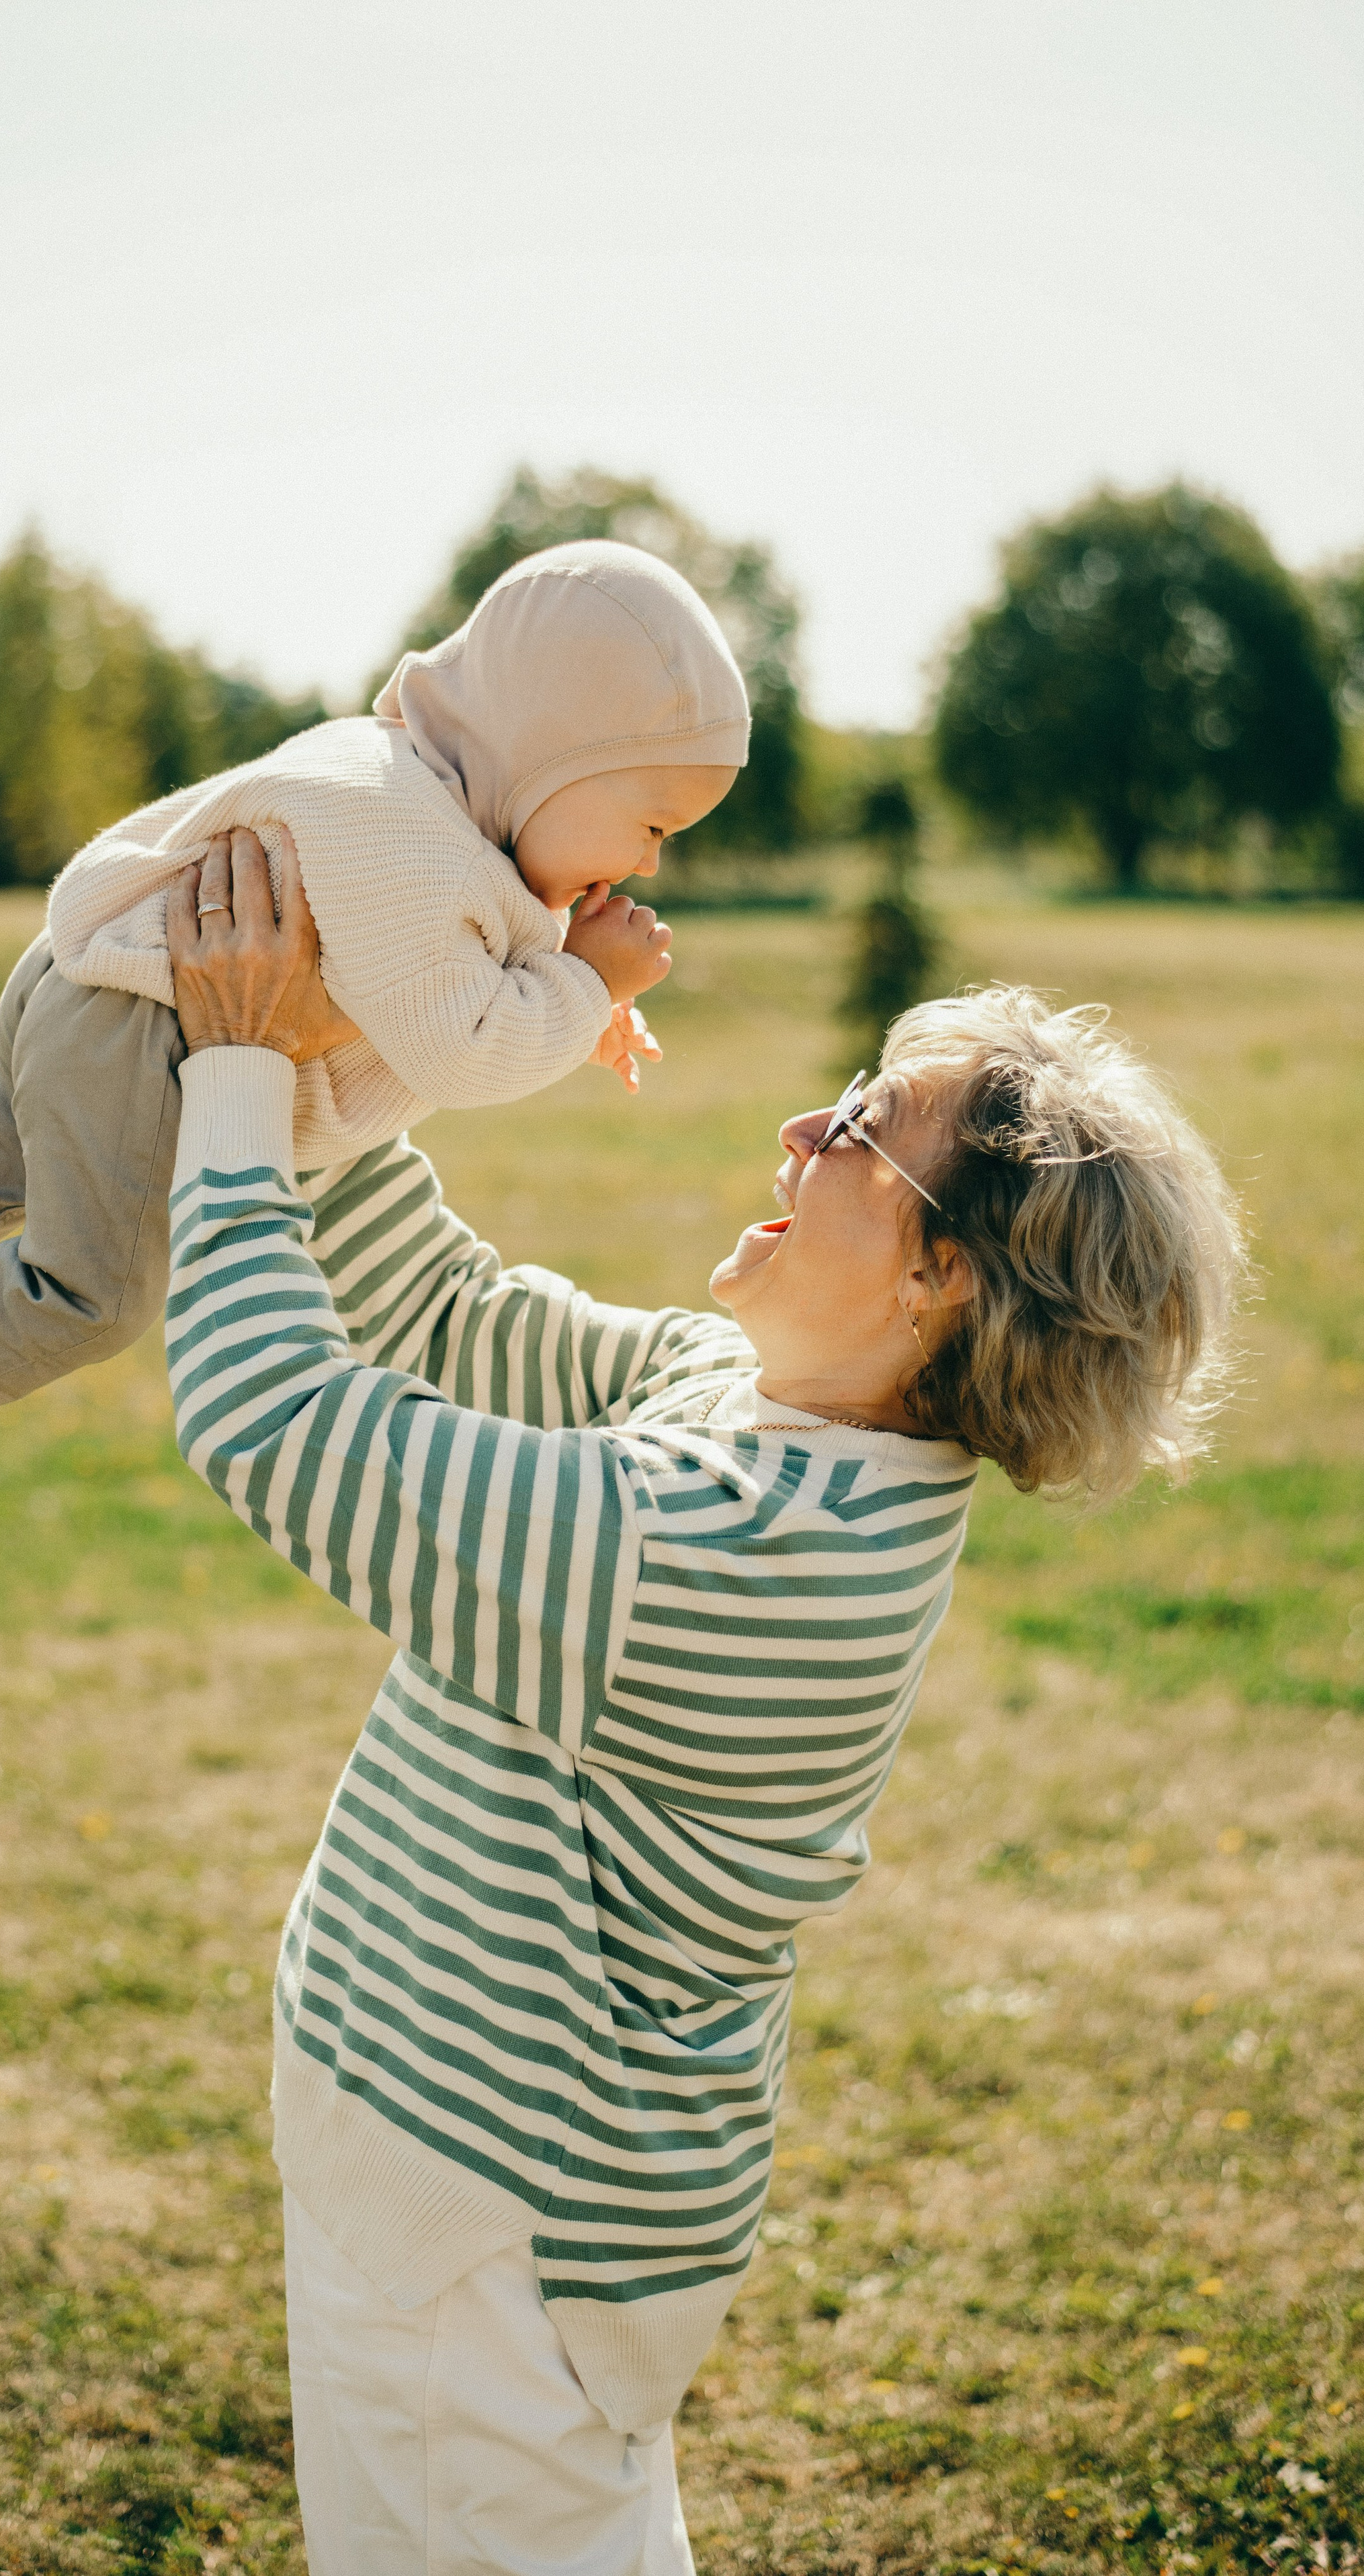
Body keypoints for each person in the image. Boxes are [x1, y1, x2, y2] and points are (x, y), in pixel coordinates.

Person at [161, 835, 1244, 2576]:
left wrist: (225, 1080)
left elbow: (274, 1418)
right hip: (477, 2190)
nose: (805, 1133)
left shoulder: (732, 1551)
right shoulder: (762, 1408)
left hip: (488, 2246)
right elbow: (439, 1306)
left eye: (864, 1130)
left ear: (941, 1277)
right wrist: (316, 1044)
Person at [0, 542, 743, 1440]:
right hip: (139, 1034)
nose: (649, 864)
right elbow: (458, 1045)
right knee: (98, 1291)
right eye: (651, 826)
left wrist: (578, 1002)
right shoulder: (407, 840)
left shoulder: (409, 788)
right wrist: (582, 985)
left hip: (95, 994)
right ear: (554, 759)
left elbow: (446, 980)